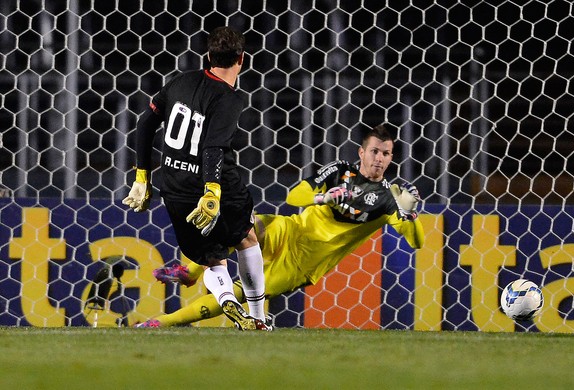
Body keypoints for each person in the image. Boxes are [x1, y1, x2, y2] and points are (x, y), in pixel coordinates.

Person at [135, 125, 425, 328]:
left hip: (303, 263)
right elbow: (294, 195)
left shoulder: (389, 199)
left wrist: (411, 216)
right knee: (247, 224)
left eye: (386, 154)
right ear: (361, 153)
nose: (379, 159)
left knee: (238, 294)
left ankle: (162, 321)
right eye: (375, 151)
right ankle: (190, 271)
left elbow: (416, 242)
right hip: (292, 229)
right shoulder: (339, 171)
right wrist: (324, 197)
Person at [123, 26, 270, 331]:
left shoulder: (181, 82)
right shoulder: (229, 99)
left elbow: (145, 123)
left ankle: (225, 295)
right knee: (247, 236)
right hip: (215, 187)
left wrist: (142, 176)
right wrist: (213, 191)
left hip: (174, 187)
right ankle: (257, 316)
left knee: (212, 260)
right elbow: (213, 147)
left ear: (208, 55)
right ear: (242, 59)